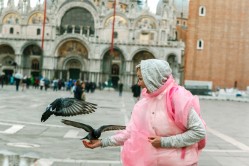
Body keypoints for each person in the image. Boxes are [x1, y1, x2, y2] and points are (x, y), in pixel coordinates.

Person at [82, 59, 206, 166]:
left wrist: (164, 142)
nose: (138, 83)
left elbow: (199, 131)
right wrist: (102, 142)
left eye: (141, 78)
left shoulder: (177, 98)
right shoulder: (143, 104)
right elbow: (130, 133)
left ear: (153, 78)